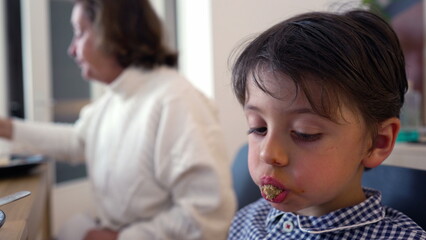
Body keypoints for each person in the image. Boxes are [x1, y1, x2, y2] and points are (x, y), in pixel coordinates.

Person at [0, 0, 236, 239]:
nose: (72, 50)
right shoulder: (114, 99)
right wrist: (5, 128)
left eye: (80, 33)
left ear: (112, 33)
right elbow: (76, 141)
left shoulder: (176, 101)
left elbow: (209, 217)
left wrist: (118, 238)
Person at [227, 9, 426, 240]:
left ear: (377, 142)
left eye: (304, 133)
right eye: (259, 128)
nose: (268, 153)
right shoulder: (247, 221)